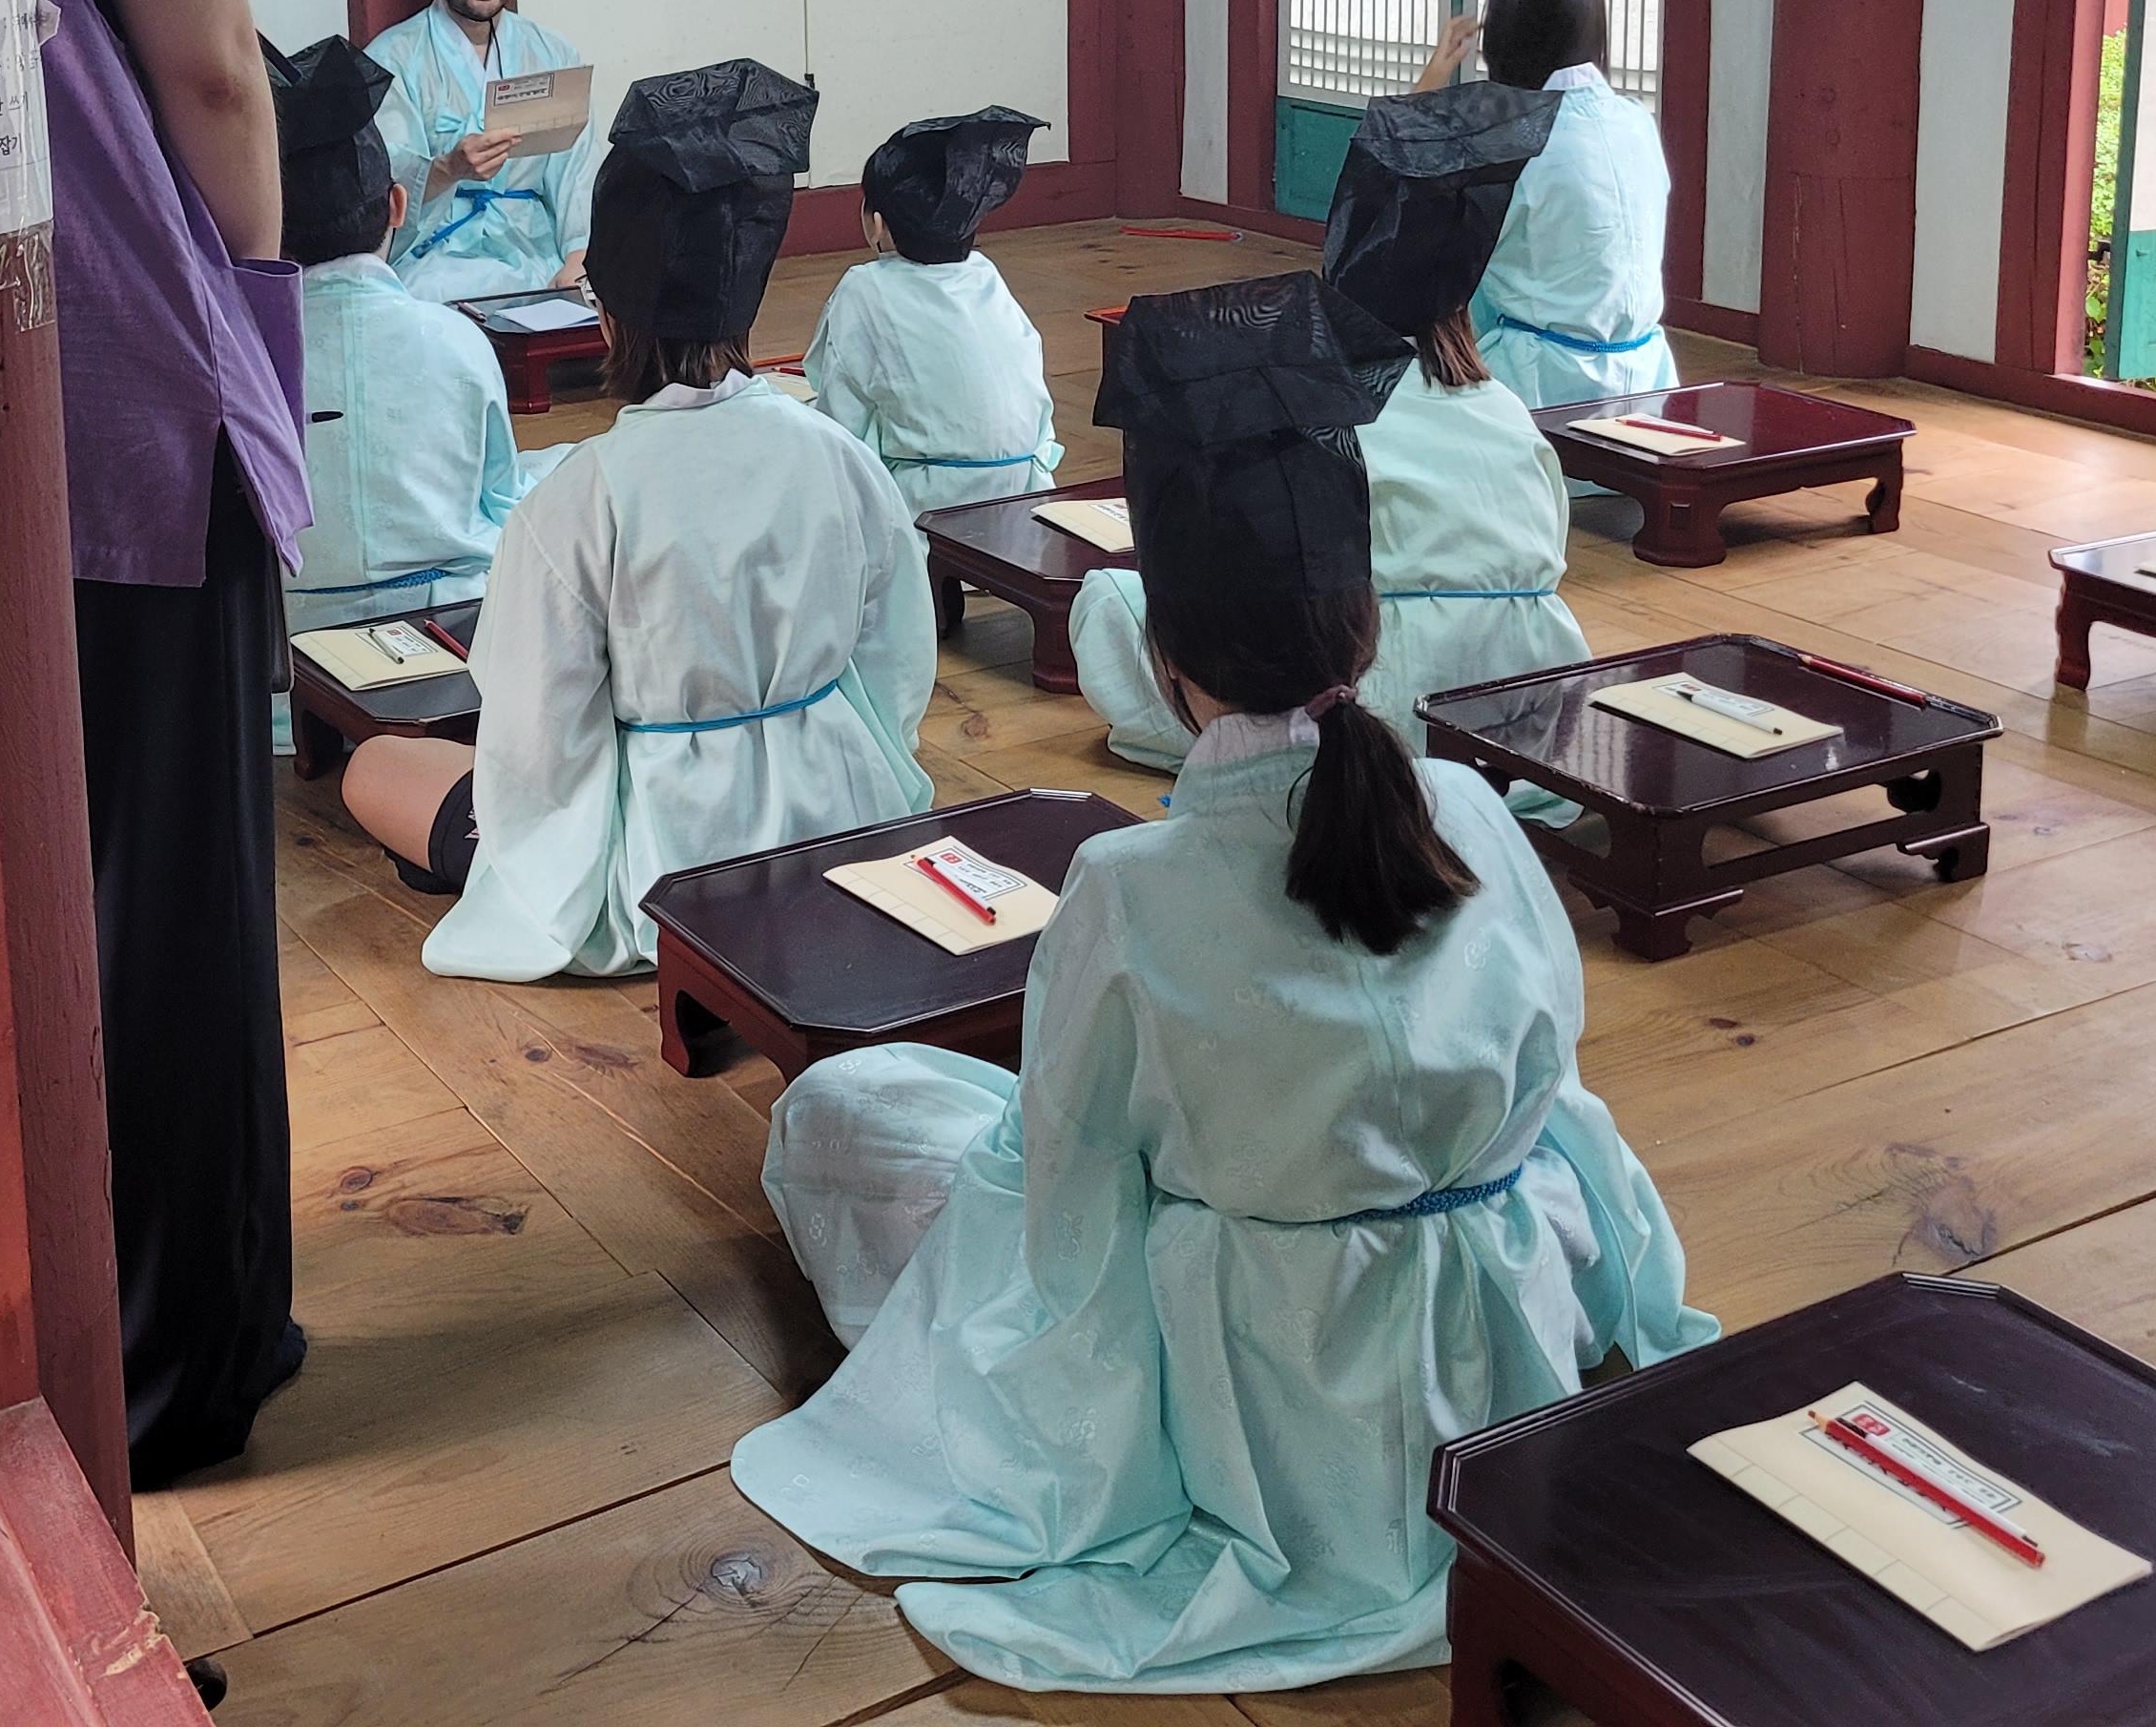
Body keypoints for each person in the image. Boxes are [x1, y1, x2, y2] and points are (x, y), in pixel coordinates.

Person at [731, 274, 1713, 1696]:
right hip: (1500, 1329)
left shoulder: (1131, 886)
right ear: (1368, 625)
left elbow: (1070, 1190)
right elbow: (1553, 1083)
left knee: (854, 1108)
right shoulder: (1471, 811)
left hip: (1262, 1369)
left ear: (1163, 660)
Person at [0, 0, 311, 1495]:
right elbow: (210, 73)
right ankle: (178, 1364)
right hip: (115, 375)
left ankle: (14, 1324)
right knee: (170, 897)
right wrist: (264, 292)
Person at [336, 60, 939, 980]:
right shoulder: (838, 456)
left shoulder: (579, 498)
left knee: (377, 766)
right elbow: (897, 663)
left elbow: (537, 739)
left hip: (658, 868)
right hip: (838, 823)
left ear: (605, 317)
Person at [1071, 83, 1587, 798]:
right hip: (1526, 708)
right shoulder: (1503, 408)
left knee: (1112, 601)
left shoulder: (1321, 407)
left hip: (1370, 690)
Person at [268, 33, 567, 642]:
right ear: (398, 205)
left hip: (290, 641)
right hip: (453, 626)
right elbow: (501, 499)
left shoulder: (246, 357)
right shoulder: (458, 340)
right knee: (565, 468)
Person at [1420, 0, 1679, 406]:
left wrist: (1433, 77)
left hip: (1537, 381)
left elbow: (1397, 194)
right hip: (1647, 378)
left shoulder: (1510, 141)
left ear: (1503, 36)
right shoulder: (1636, 120)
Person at [364, 0, 599, 306]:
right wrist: (448, 169)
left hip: (536, 261)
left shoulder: (552, 54)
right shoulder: (391, 60)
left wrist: (578, 256)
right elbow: (379, 188)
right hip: (435, 265)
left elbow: (578, 176)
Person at [806, 107, 1062, 519]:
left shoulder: (865, 287)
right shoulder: (985, 274)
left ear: (876, 223)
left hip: (934, 508)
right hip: (1029, 495)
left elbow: (841, 426)